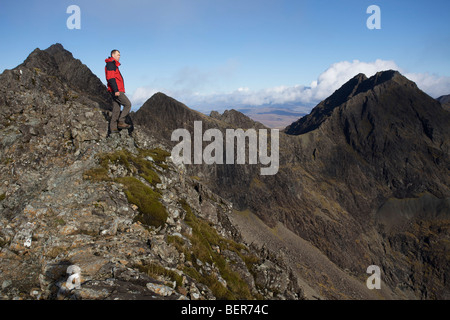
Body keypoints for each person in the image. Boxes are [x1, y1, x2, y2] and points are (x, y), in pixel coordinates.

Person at [105, 49, 131, 133]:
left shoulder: (112, 64)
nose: (119, 56)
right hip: (116, 90)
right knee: (128, 104)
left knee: (116, 108)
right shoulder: (110, 64)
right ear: (113, 55)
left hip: (114, 90)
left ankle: (113, 128)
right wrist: (116, 90)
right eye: (118, 55)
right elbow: (111, 78)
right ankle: (121, 121)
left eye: (119, 55)